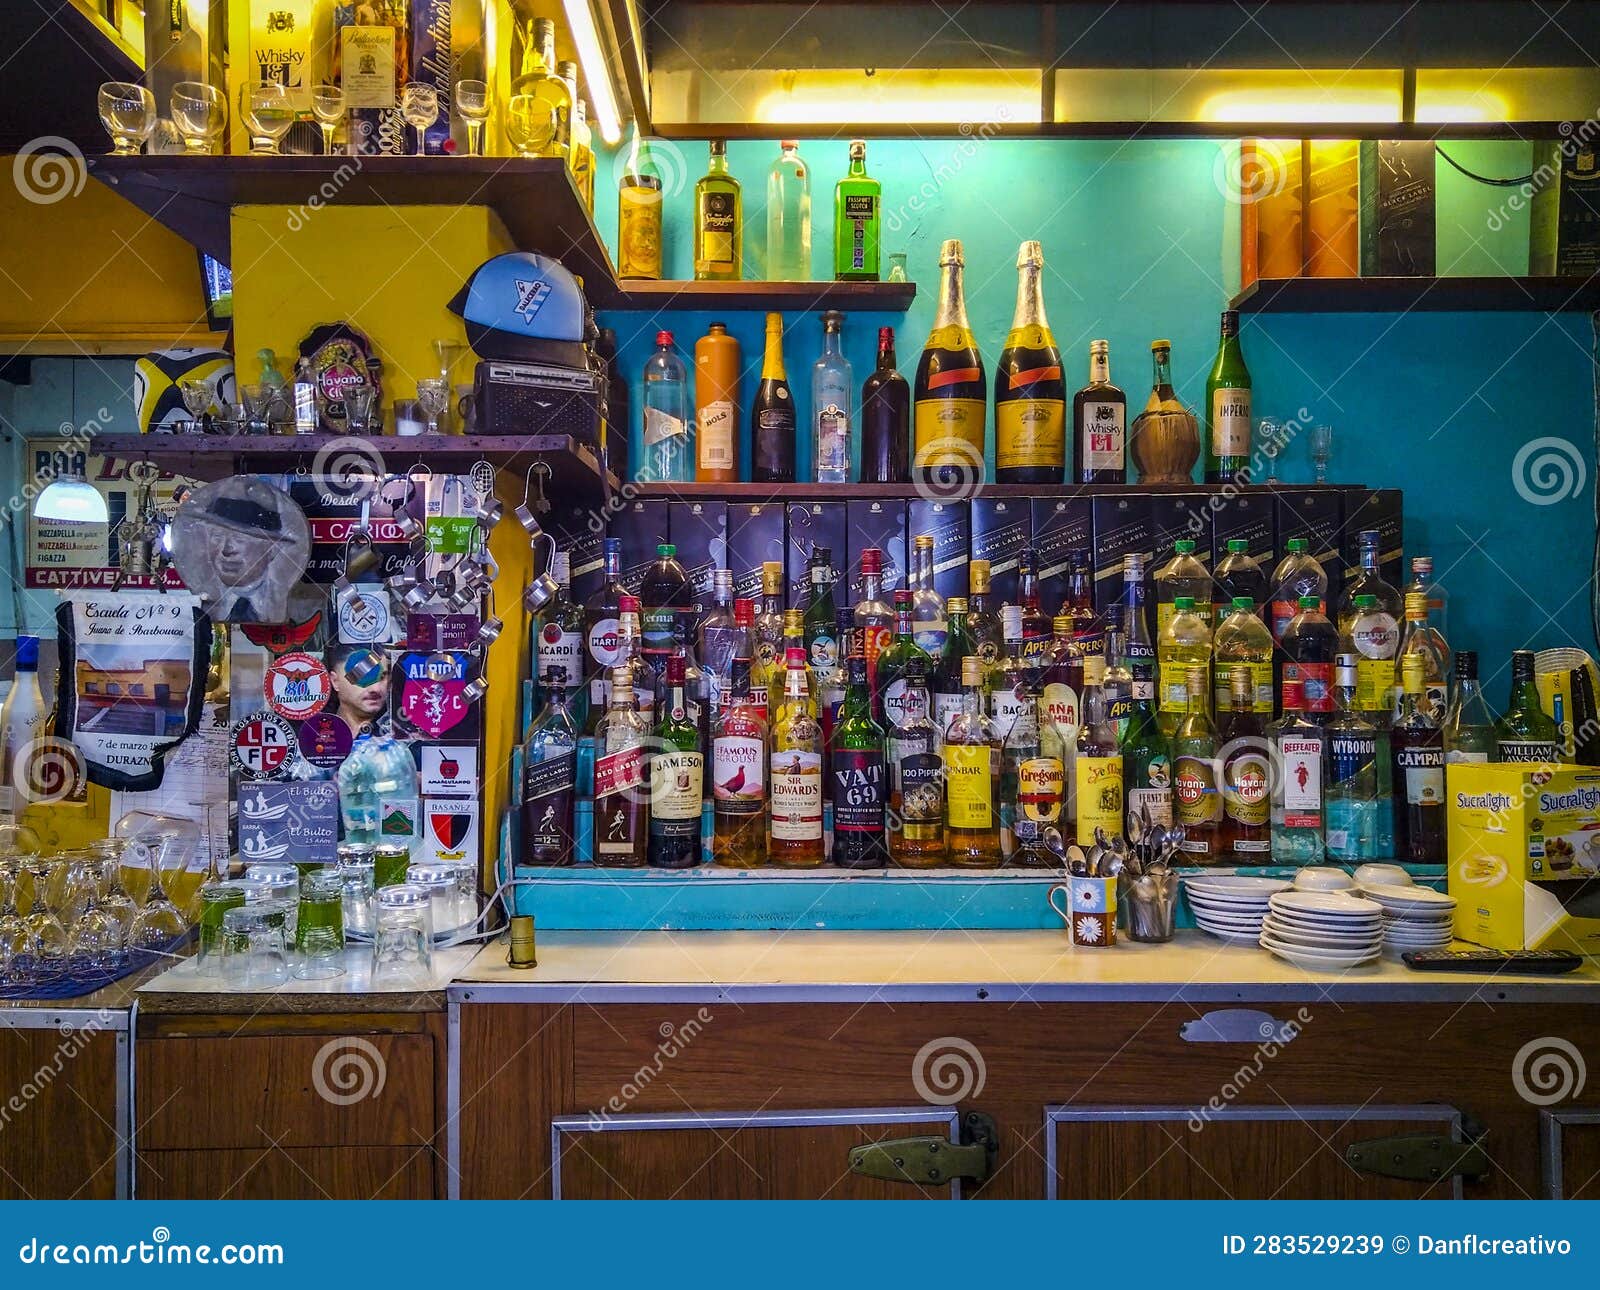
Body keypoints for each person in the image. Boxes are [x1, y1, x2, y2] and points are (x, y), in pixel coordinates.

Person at [324, 643, 392, 739]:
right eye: (363, 676)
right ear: (335, 681)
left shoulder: (399, 732)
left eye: (382, 677)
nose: (376, 689)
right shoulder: (317, 731)